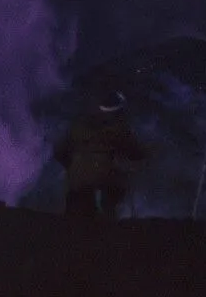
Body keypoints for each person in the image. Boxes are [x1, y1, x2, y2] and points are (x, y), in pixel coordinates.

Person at [54, 90, 146, 219]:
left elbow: (59, 152)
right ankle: (109, 216)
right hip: (106, 176)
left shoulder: (77, 126)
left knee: (79, 205)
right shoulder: (119, 128)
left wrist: (71, 166)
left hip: (78, 177)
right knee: (113, 192)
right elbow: (135, 152)